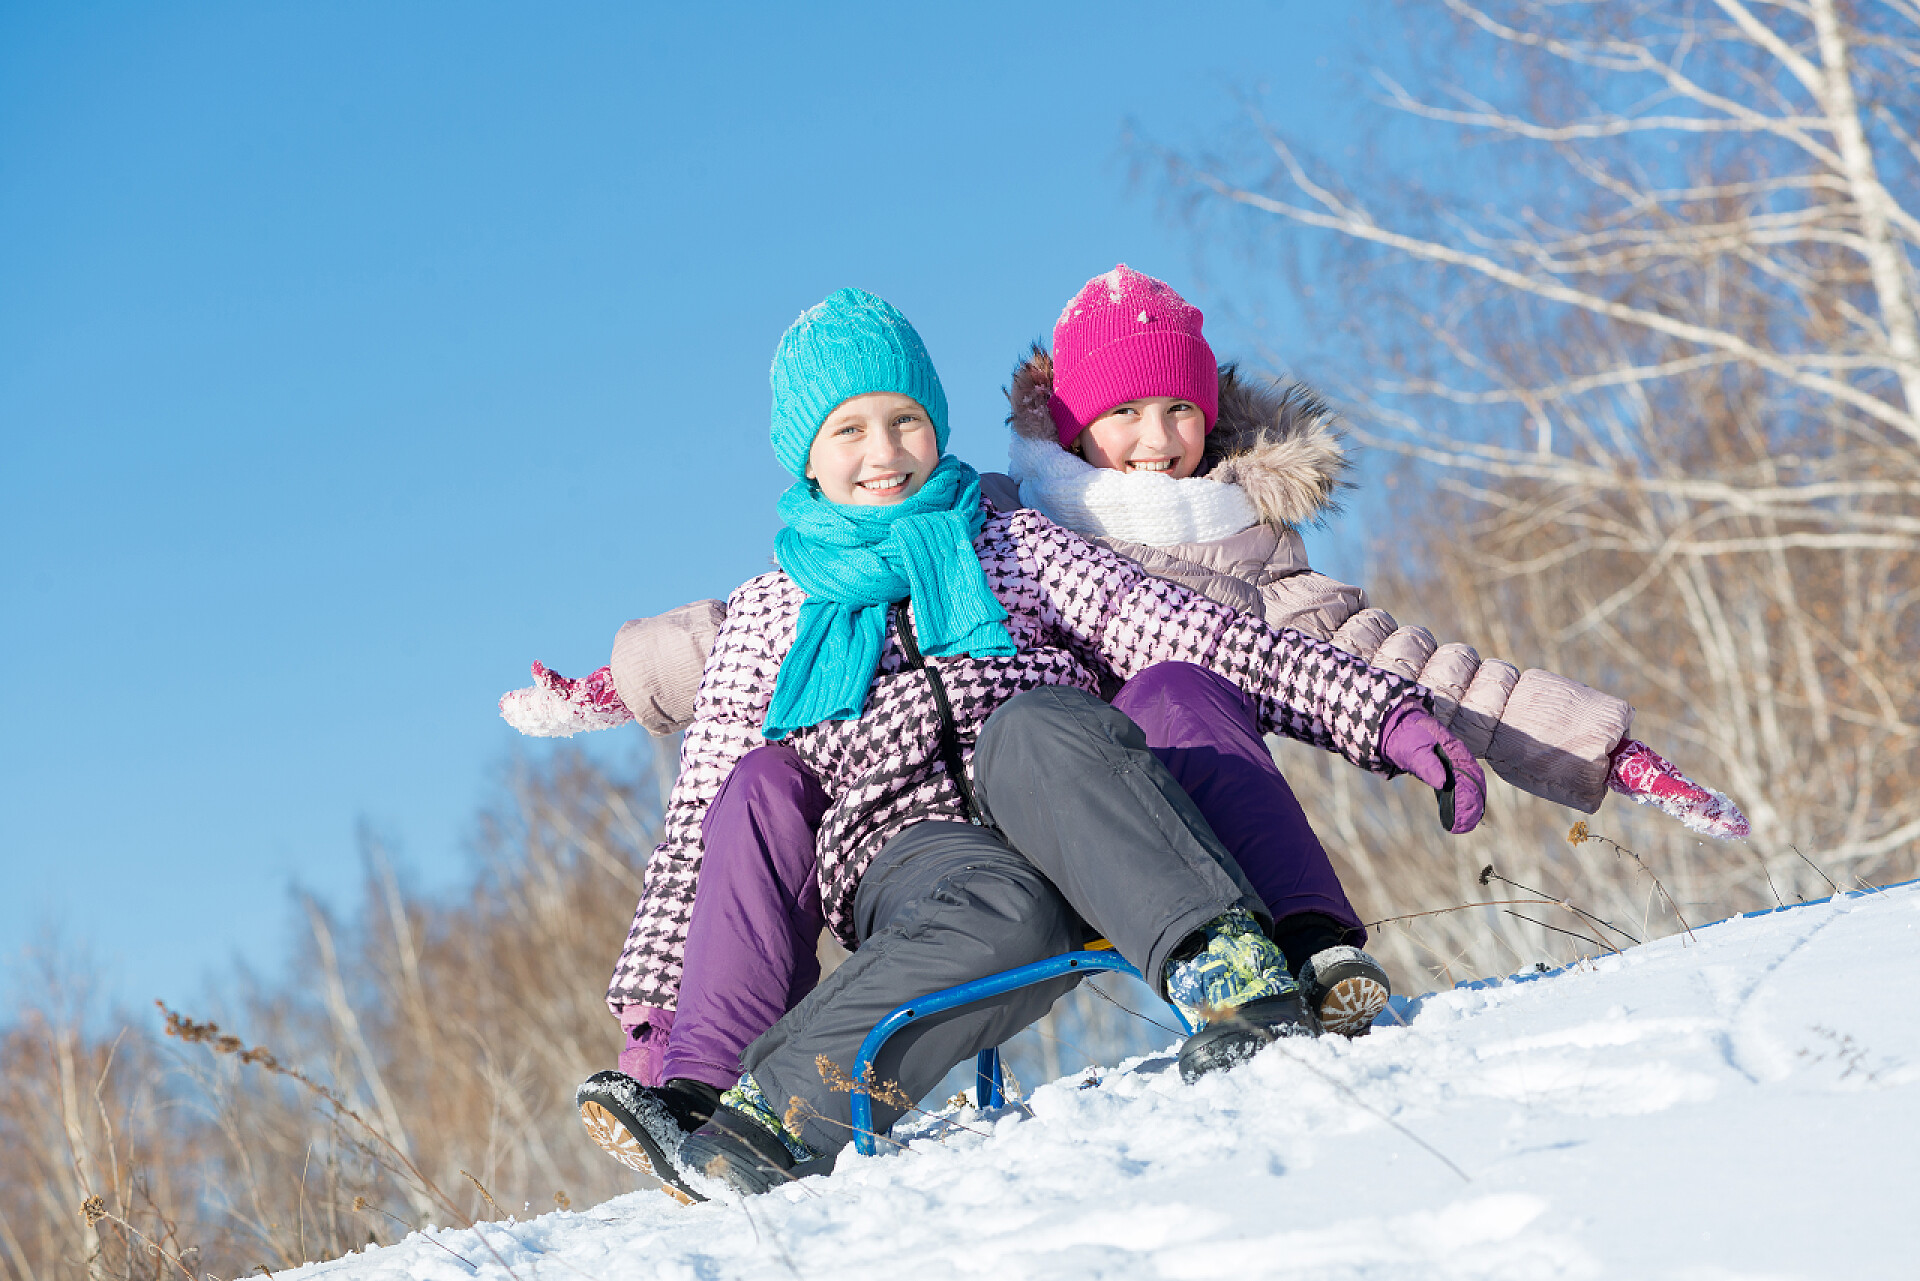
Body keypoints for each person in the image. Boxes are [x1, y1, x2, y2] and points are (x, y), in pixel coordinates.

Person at [569, 286, 1491, 1197]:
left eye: (904, 420)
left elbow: (1208, 639)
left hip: (1077, 809)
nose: (884, 452)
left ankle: (1231, 968)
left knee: (1037, 721)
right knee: (995, 902)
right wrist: (657, 1027)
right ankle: (771, 1114)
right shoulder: (768, 614)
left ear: (936, 425)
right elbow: (699, 831)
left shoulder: (1014, 544)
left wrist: (1385, 715)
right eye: (849, 430)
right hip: (912, 857)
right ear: (803, 453)